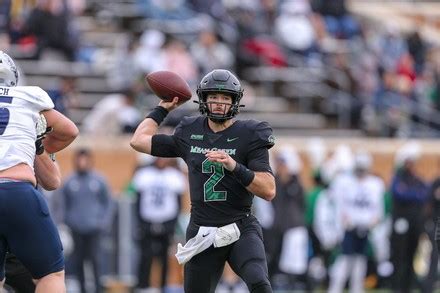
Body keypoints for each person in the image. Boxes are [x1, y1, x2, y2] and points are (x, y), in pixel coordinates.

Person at [130, 69, 276, 293]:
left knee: (259, 283)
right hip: (202, 231)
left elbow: (268, 190)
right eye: (213, 97)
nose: (218, 103)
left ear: (235, 101)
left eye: (225, 98)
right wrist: (162, 109)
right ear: (204, 99)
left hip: (240, 227)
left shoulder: (251, 133)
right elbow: (139, 141)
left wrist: (234, 166)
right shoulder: (190, 130)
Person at [0, 51, 79, 292]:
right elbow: (69, 130)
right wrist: (36, 142)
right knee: (51, 275)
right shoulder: (28, 98)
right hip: (16, 191)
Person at [5, 128, 63, 293]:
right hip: (23, 216)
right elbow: (69, 130)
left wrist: (38, 147)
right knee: (51, 276)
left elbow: (53, 181)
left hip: (23, 228)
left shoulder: (27, 139)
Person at [59, 148, 113, 293]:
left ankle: (98, 289)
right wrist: (65, 223)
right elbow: (63, 205)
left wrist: (104, 222)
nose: (82, 162)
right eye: (79, 159)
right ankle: (82, 289)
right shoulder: (69, 181)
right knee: (78, 262)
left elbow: (108, 202)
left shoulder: (99, 180)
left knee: (96, 261)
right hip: (75, 229)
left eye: (85, 159)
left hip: (94, 229)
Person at [132, 157, 186, 292]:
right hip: (147, 220)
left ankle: (163, 286)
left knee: (165, 257)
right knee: (145, 255)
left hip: (167, 220)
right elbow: (137, 201)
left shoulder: (174, 176)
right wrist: (140, 222)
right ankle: (143, 286)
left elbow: (178, 203)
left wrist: (173, 223)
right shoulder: (144, 174)